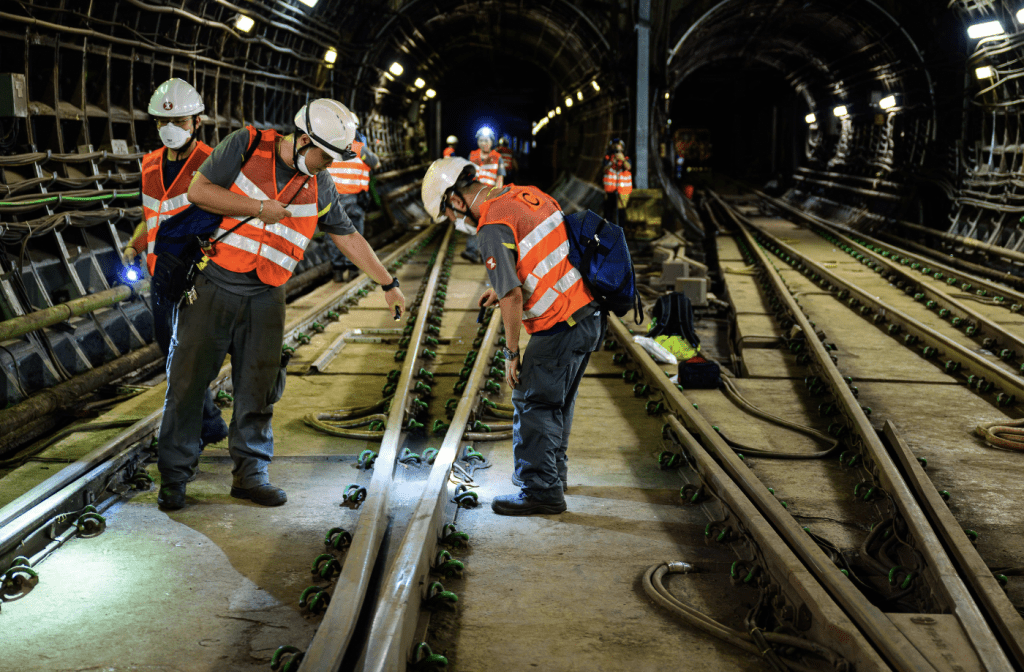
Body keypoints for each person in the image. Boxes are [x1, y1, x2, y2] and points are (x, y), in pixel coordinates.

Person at [155, 99, 406, 511]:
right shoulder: (246, 145)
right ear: (304, 139)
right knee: (187, 383)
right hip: (213, 284)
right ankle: (175, 477)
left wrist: (388, 283)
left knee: (259, 387)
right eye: (324, 155)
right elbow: (198, 190)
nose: (327, 164)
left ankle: (251, 474)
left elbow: (346, 235)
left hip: (267, 295)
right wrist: (257, 208)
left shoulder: (320, 183)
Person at [421, 157, 602, 515]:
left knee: (532, 402)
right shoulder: (526, 194)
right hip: (589, 314)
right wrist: (507, 288)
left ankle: (540, 491)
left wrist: (512, 352)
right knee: (557, 403)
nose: (455, 223)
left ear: (456, 200)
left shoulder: (490, 226)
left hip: (559, 325)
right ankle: (554, 477)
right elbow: (549, 254)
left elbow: (512, 296)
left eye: (450, 215)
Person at [122, 78, 228, 457]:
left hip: (199, 275)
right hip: (159, 276)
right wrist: (136, 244)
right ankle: (209, 422)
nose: (171, 128)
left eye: (181, 121)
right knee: (170, 351)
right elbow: (151, 215)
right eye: (164, 122)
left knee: (186, 357)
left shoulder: (214, 162)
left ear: (197, 122)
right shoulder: (149, 163)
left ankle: (190, 437)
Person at [325, 128, 381, 282]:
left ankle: (337, 270)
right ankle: (352, 269)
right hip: (354, 200)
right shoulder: (359, 148)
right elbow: (376, 164)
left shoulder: (329, 148)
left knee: (333, 235)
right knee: (353, 235)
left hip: (332, 200)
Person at [462, 127, 505, 263]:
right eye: (481, 140)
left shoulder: (498, 158)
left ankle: (487, 254)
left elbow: (499, 178)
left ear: (492, 142)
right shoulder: (472, 156)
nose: (484, 143)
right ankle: (472, 251)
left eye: (486, 140)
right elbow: (467, 176)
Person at [601, 138, 632, 225]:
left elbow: (628, 167)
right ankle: (608, 233)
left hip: (622, 192)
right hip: (610, 191)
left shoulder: (626, 158)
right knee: (608, 213)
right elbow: (604, 169)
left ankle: (621, 232)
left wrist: (622, 160)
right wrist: (611, 162)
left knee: (621, 213)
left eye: (618, 149)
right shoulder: (607, 158)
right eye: (615, 149)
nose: (616, 151)